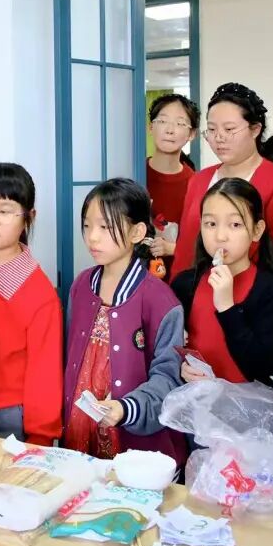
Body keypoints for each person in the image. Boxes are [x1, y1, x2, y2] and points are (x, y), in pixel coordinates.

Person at [61, 178, 184, 461]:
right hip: (79, 428)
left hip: (133, 443)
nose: (92, 237)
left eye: (105, 227)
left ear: (137, 232)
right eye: (87, 226)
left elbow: (168, 377)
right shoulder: (81, 286)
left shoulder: (160, 300)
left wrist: (127, 408)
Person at [0, 163, 62, 445]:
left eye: (5, 211)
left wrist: (41, 437)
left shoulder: (39, 293)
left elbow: (44, 374)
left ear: (29, 217)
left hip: (6, 416)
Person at [168, 83, 273, 279]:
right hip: (194, 290)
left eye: (229, 129)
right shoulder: (199, 180)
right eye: (211, 129)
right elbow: (185, 249)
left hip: (250, 293)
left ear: (255, 129)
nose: (219, 137)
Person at [171, 177, 273, 384]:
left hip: (250, 403)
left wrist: (227, 307)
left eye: (235, 224)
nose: (220, 236)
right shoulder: (183, 285)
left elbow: (267, 373)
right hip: (195, 401)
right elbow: (164, 352)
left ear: (257, 230)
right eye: (210, 224)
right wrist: (179, 367)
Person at [146, 93, 200, 276]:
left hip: (181, 280)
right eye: (162, 121)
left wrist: (173, 248)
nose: (170, 130)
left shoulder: (197, 183)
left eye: (180, 123)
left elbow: (205, 243)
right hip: (137, 281)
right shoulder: (134, 175)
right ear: (151, 127)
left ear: (191, 134)